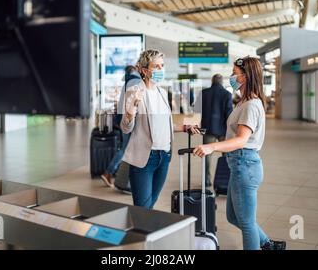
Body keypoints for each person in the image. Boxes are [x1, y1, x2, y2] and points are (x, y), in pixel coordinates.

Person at [193, 57, 286, 250]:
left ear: (245, 77)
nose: (232, 76)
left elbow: (242, 139)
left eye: (235, 73)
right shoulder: (243, 102)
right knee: (233, 216)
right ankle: (269, 245)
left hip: (246, 165)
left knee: (246, 222)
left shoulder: (251, 105)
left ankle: (267, 245)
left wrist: (212, 147)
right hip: (238, 165)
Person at [121, 49, 200, 209]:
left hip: (164, 156)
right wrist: (132, 107)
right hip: (145, 158)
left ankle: (144, 231)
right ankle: (140, 232)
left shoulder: (162, 92)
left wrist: (185, 127)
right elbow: (125, 127)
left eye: (162, 66)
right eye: (156, 66)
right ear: (144, 70)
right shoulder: (134, 92)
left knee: (152, 203)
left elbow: (165, 123)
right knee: (143, 208)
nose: (160, 69)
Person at [101, 65, 141, 187]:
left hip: (124, 120)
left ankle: (118, 176)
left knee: (126, 148)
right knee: (126, 149)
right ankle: (109, 172)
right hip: (129, 120)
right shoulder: (136, 82)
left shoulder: (128, 82)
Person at [199, 74, 233, 187]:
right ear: (222, 82)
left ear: (212, 81)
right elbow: (229, 113)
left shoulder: (204, 93)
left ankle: (206, 180)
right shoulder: (227, 94)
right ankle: (225, 180)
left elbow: (197, 110)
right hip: (223, 129)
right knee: (226, 155)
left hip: (208, 128)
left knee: (206, 155)